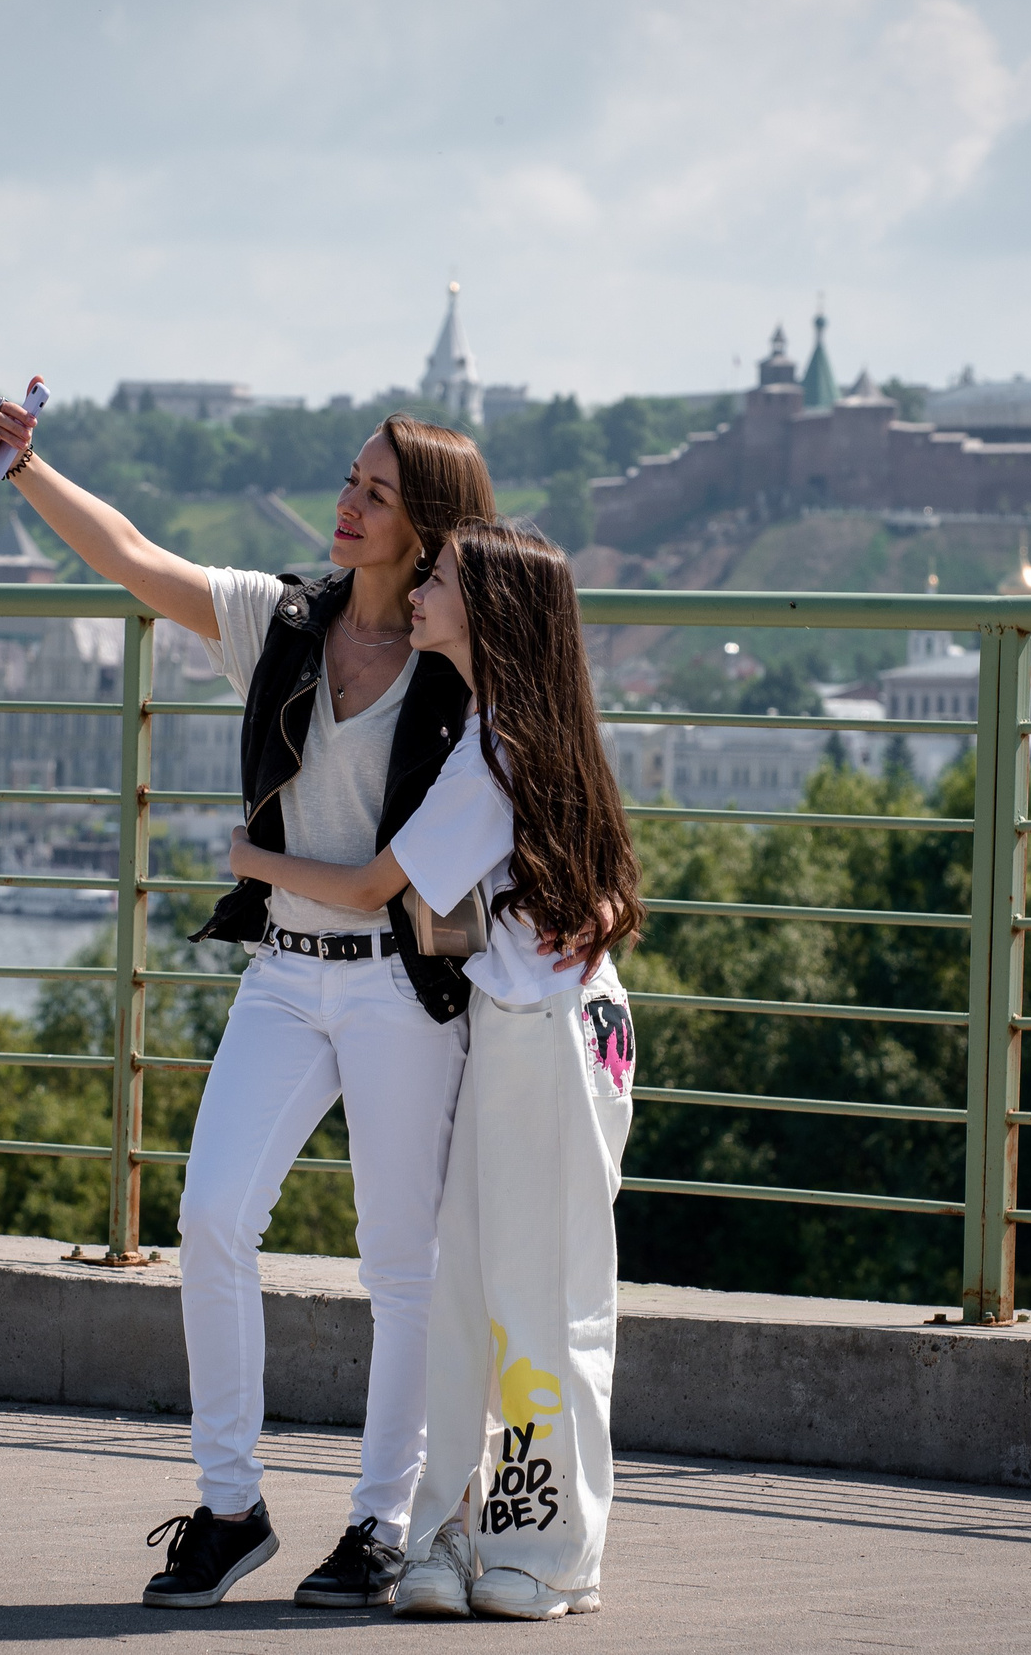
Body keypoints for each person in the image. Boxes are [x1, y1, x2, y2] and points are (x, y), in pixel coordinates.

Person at [0, 397, 594, 1611]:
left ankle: (378, 1523)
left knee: (399, 1267)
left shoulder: (458, 661)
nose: (345, 505)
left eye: (374, 491)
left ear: (429, 527)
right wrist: (27, 471)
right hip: (284, 974)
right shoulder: (282, 621)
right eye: (348, 480)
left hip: (401, 986)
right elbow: (139, 560)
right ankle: (229, 1505)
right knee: (208, 1216)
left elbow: (532, 768)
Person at [226, 524, 645, 1621]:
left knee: (537, 1298)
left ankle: (549, 1554)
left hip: (545, 1035)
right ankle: (484, 1529)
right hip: (539, 1026)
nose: (420, 588)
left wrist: (251, 858)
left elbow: (372, 887)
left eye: (443, 579)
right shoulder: (513, 728)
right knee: (496, 1292)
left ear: (490, 610)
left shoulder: (496, 745)